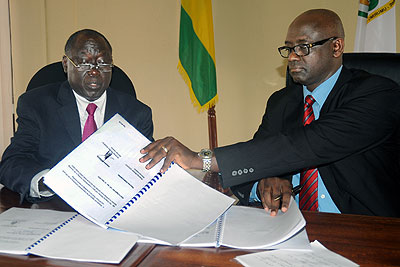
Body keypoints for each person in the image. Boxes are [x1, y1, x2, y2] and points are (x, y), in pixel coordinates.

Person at [140, 9, 400, 217]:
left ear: (336, 47)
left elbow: (305, 145)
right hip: (289, 224)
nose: (293, 58)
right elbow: (257, 157)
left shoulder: (378, 94)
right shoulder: (282, 102)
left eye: (303, 47)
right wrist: (263, 183)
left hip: (363, 227)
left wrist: (201, 159)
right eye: (289, 48)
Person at [0, 29, 153, 203]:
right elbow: (12, 163)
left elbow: (145, 168)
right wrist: (48, 183)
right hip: (55, 208)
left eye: (102, 63)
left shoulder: (136, 113)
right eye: (84, 63)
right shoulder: (36, 105)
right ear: (66, 64)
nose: (94, 71)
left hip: (115, 206)